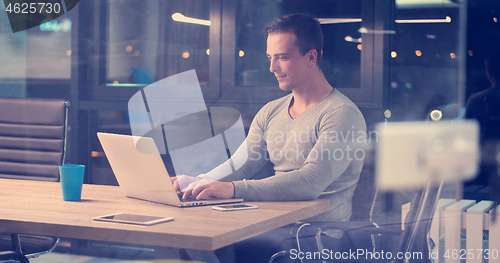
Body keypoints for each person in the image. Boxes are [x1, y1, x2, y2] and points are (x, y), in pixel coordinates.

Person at [172, 13, 366, 262]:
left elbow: (310, 182)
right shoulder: (271, 111)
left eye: (282, 57)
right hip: (275, 224)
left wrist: (232, 189)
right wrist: (198, 182)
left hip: (319, 239)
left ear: (311, 57)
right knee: (190, 240)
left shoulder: (341, 114)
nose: (272, 68)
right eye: (270, 58)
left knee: (221, 247)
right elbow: (241, 165)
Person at [464, 52, 500, 199]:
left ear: (488, 73)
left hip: (481, 173)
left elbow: (466, 138)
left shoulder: (476, 100)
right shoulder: (477, 100)